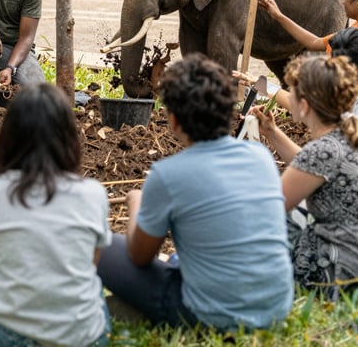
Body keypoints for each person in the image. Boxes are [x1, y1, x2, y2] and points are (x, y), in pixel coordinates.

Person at [98, 54, 293, 331]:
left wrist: (136, 204)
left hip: (212, 316)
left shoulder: (167, 175)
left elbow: (139, 257)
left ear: (174, 120)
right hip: (275, 308)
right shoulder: (260, 156)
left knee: (95, 243)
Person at [0, 83, 111, 347]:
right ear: (69, 137)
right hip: (84, 337)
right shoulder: (93, 193)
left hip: (8, 338)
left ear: (8, 137)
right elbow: (90, 268)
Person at [251, 54, 358, 290]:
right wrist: (272, 132)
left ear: (304, 106)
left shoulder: (322, 151)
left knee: (276, 220)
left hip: (342, 273)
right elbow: (312, 170)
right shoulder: (357, 135)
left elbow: (270, 209)